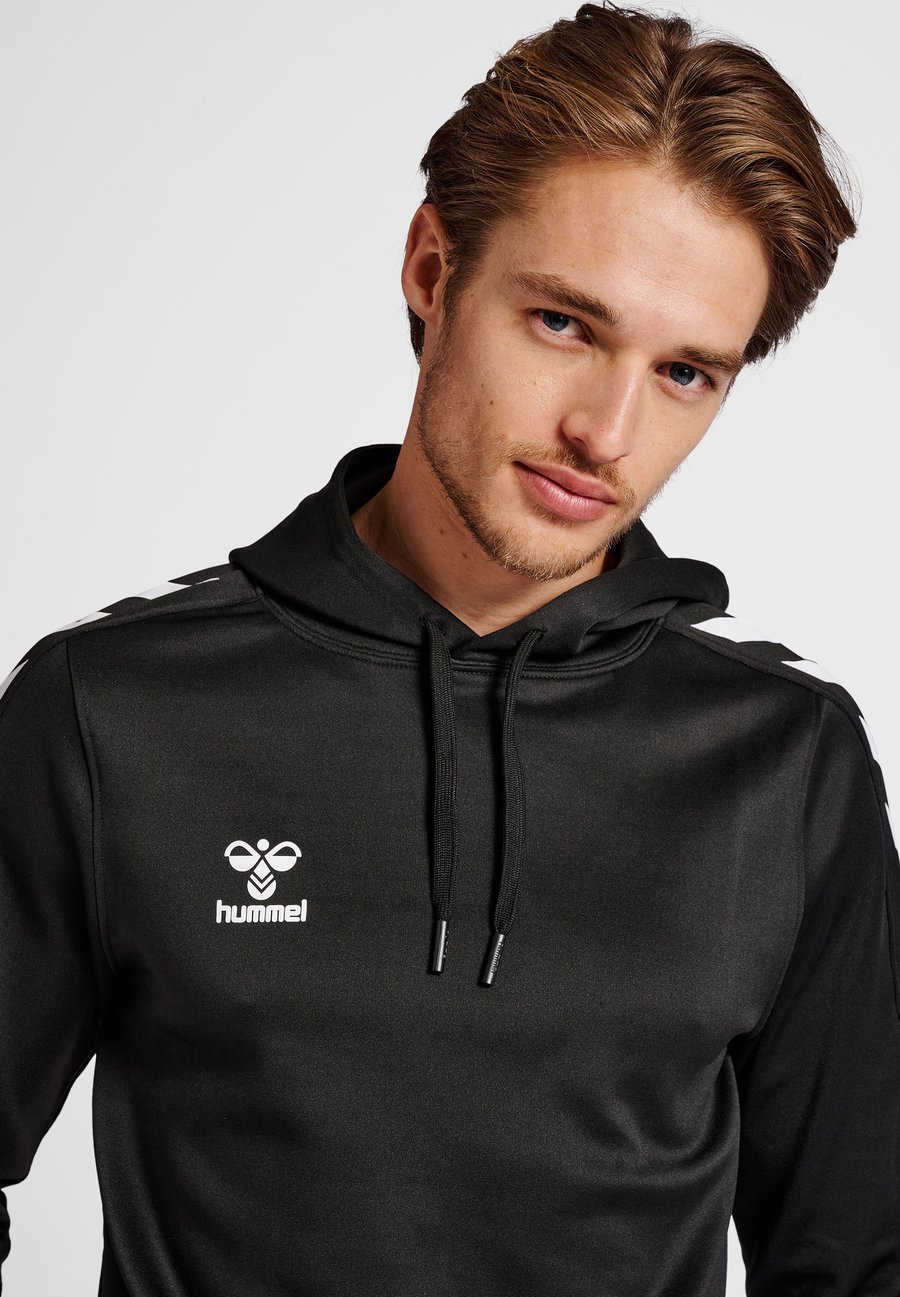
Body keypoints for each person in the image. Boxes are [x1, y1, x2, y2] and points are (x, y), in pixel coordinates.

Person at [1, 4, 898, 1294]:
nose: (607, 433)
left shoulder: (787, 764)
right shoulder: (110, 714)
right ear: (433, 271)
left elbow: (856, 1258)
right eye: (565, 324)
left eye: (686, 373)